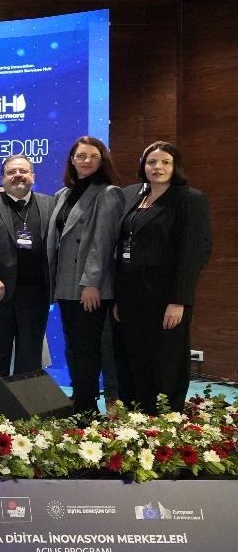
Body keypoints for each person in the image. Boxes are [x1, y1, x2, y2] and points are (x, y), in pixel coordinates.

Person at [112, 141, 212, 413]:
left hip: (165, 296)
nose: (158, 167)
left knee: (166, 361)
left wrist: (179, 300)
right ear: (143, 166)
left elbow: (193, 253)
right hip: (131, 295)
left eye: (165, 162)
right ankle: (139, 418)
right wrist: (120, 297)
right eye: (152, 162)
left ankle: (165, 420)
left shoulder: (189, 199)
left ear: (175, 166)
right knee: (136, 359)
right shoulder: (136, 198)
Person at [48, 136, 125, 415]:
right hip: (66, 283)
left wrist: (92, 284)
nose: (86, 161)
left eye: (93, 156)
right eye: (81, 156)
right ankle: (81, 399)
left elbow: (103, 243)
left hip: (89, 286)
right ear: (72, 160)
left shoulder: (109, 193)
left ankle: (86, 407)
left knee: (88, 347)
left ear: (102, 161)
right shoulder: (63, 194)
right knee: (74, 345)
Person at [0, 155, 56, 383]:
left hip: (36, 293)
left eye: (23, 171)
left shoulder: (50, 204)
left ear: (33, 176)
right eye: (11, 172)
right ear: (2, 179)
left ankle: (25, 405)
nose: (18, 175)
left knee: (30, 356)